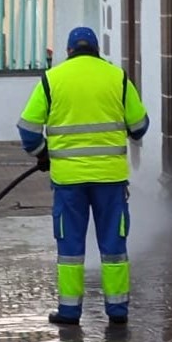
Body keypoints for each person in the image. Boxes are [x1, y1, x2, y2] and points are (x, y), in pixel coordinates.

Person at [17, 26, 149, 326]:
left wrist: (42, 154)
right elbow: (139, 126)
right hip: (110, 181)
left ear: (68, 51)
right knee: (114, 248)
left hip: (69, 183)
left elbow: (27, 129)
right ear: (97, 50)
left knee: (70, 250)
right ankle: (117, 311)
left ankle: (69, 311)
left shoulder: (52, 79)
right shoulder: (117, 77)